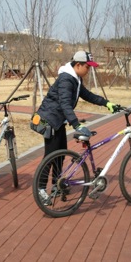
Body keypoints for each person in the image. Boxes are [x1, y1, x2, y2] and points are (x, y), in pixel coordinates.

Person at [34, 50, 117, 203]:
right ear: (78, 65)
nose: (89, 70)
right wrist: (76, 124)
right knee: (50, 156)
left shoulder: (75, 79)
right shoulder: (66, 79)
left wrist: (107, 103)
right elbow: (65, 104)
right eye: (87, 66)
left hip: (58, 121)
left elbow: (88, 95)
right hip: (50, 120)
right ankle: (40, 190)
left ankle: (56, 185)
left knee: (59, 154)